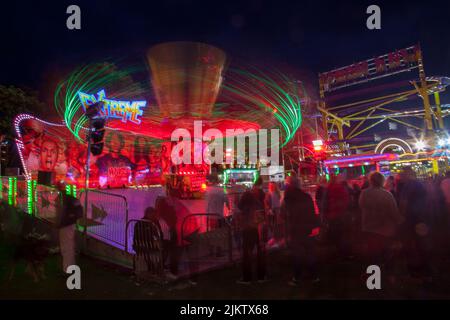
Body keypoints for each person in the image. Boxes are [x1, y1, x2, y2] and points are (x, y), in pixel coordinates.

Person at [359, 172, 403, 281]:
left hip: (369, 228)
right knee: (387, 253)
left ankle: (374, 279)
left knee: (373, 255)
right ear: (382, 181)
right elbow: (393, 211)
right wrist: (399, 221)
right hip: (385, 229)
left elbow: (361, 207)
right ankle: (389, 276)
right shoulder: (387, 194)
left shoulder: (364, 193)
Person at [282, 175, 319, 286]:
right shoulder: (306, 196)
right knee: (309, 253)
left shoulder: (288, 197)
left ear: (290, 185)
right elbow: (313, 213)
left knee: (297, 254)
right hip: (307, 228)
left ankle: (297, 277)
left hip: (295, 228)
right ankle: (313, 275)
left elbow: (284, 213)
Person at [236, 178, 266, 284]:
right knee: (260, 253)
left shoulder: (245, 200)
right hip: (259, 228)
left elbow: (238, 211)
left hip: (248, 228)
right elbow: (264, 212)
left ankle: (247, 278)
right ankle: (261, 276)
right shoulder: (260, 199)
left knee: (247, 254)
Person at [55, 180, 83, 273]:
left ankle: (68, 269)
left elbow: (60, 213)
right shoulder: (70, 197)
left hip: (65, 225)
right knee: (69, 245)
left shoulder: (62, 198)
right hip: (69, 224)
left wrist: (58, 223)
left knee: (66, 246)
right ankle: (69, 266)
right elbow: (79, 210)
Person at [323, 174, 351, 258]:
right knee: (341, 233)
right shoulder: (341, 188)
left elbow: (325, 203)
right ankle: (342, 253)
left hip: (332, 215)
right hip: (341, 214)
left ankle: (333, 253)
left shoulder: (327, 189)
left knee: (333, 233)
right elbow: (346, 200)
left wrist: (324, 215)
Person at [206, 174, 230, 257]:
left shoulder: (207, 190)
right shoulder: (221, 190)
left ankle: (211, 252)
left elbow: (206, 202)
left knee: (211, 233)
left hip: (209, 216)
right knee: (219, 234)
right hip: (219, 215)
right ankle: (218, 252)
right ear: (217, 181)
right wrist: (229, 208)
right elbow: (227, 202)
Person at [155, 196, 179, 277]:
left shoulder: (159, 213)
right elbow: (174, 219)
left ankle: (163, 269)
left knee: (167, 251)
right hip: (168, 233)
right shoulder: (168, 209)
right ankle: (172, 270)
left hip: (167, 234)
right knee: (171, 252)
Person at [265, 182, 282, 246]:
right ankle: (273, 236)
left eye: (272, 186)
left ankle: (275, 236)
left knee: (276, 223)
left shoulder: (276, 193)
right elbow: (267, 202)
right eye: (270, 186)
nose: (271, 187)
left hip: (276, 209)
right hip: (272, 210)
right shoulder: (269, 194)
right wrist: (269, 209)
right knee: (272, 223)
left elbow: (278, 200)